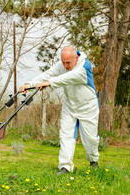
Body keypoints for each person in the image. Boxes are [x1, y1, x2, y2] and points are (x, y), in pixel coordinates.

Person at [19, 46, 100, 174]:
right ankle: (65, 167)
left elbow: (67, 78)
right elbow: (49, 74)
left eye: (68, 62)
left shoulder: (84, 66)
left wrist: (49, 83)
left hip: (88, 106)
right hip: (69, 105)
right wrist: (29, 84)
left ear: (76, 58)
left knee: (90, 138)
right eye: (63, 62)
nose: (65, 65)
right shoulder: (63, 64)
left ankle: (93, 161)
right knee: (66, 135)